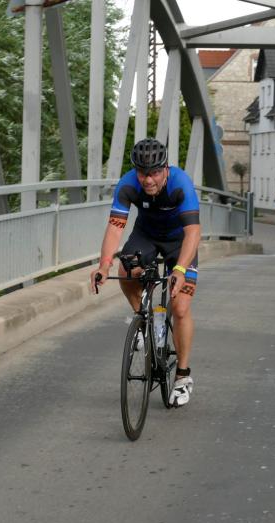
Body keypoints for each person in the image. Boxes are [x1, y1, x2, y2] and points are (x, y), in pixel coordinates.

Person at [90, 138, 200, 407]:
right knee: (126, 269)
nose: (148, 180)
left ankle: (182, 376)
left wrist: (180, 269)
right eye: (142, 173)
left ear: (166, 169)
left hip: (179, 242)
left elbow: (193, 232)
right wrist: (104, 265)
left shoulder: (181, 184)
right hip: (147, 235)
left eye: (154, 173)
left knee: (181, 307)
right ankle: (144, 317)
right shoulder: (128, 184)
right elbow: (115, 227)